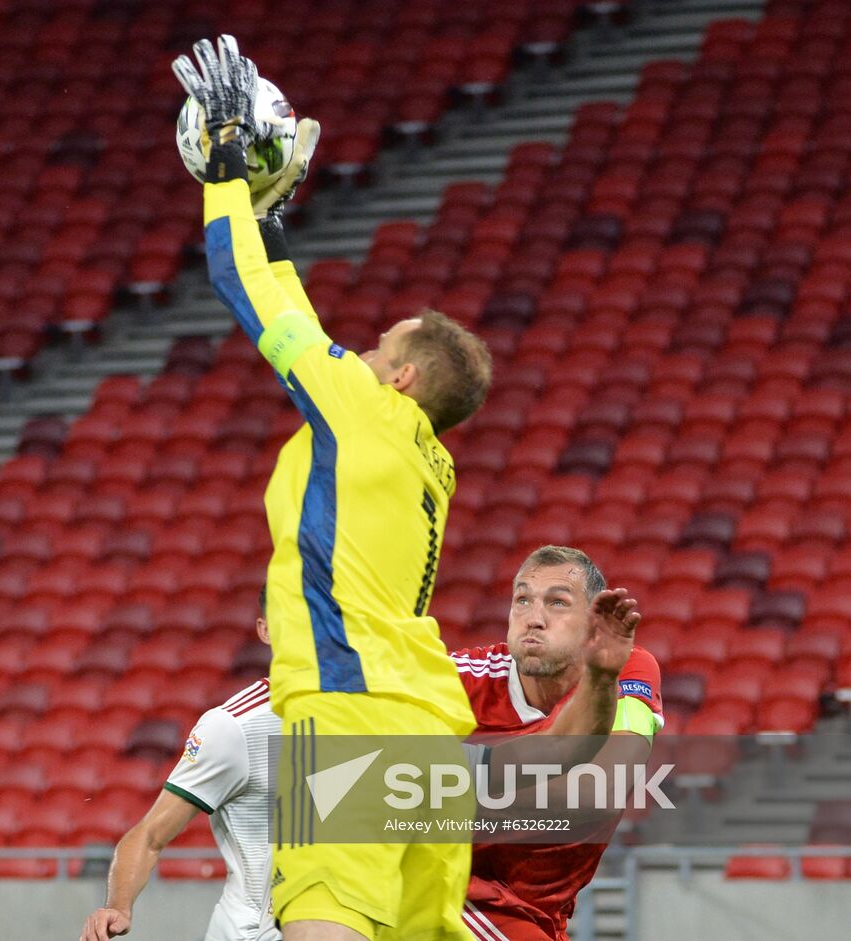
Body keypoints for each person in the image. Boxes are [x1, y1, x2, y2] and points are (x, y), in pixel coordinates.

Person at [174, 35, 494, 941]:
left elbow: (242, 287)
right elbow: (299, 311)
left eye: (376, 347)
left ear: (400, 378)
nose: (353, 349)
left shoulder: (359, 412)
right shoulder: (425, 454)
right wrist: (276, 221)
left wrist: (228, 171)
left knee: (325, 918)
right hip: (430, 726)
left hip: (347, 709)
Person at [451, 546, 663, 941]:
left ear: (591, 625)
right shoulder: (461, 678)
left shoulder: (625, 669)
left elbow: (600, 790)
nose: (534, 618)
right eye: (522, 599)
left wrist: (453, 789)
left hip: (539, 914)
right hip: (456, 891)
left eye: (557, 603)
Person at [81, 594, 280, 941]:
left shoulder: (371, 717)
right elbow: (150, 835)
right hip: (254, 934)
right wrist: (118, 906)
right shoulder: (235, 726)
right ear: (265, 630)